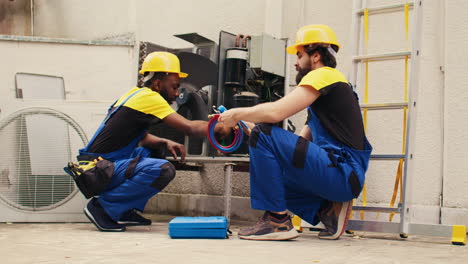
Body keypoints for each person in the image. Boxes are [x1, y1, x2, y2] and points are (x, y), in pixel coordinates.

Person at [219, 24, 372, 241]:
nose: (295, 62)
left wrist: (236, 114)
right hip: (340, 174)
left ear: (316, 56)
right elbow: (297, 148)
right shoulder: (323, 98)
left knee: (263, 133)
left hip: (343, 172)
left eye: (300, 55)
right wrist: (255, 135)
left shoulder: (324, 75)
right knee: (274, 169)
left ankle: (277, 222)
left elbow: (276, 112)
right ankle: (327, 211)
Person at [70, 51, 229, 232]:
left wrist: (164, 142)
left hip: (101, 164)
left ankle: (123, 210)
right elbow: (190, 128)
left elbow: (132, 135)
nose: (177, 93)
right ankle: (103, 209)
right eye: (174, 87)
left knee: (155, 150)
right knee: (163, 170)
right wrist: (218, 126)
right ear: (157, 83)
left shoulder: (135, 95)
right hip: (98, 171)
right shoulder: (151, 98)